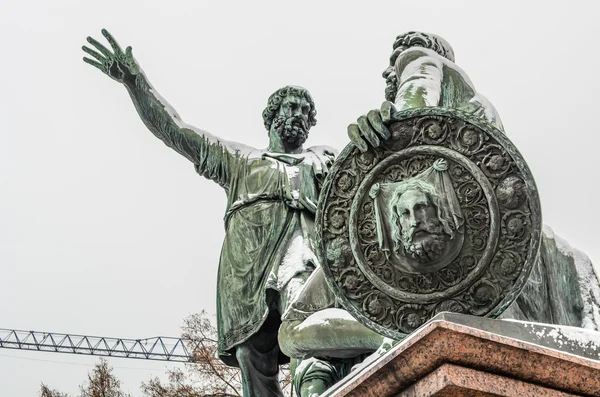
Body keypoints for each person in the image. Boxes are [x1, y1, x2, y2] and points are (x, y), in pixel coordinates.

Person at [81, 29, 389, 397]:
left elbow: (374, 171)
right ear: (271, 116)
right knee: (253, 361)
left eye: (306, 110)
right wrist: (135, 82)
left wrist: (383, 122)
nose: (300, 115)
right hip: (247, 277)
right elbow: (175, 131)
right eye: (291, 107)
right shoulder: (241, 161)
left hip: (306, 257)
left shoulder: (324, 158)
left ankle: (321, 384)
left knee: (310, 331)